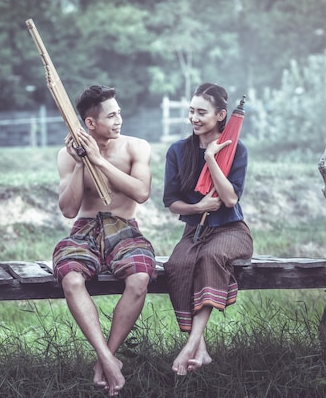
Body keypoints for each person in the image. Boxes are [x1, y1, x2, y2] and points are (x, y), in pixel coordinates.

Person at [52, 84, 157, 396]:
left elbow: (141, 192)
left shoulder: (136, 147)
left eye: (119, 113)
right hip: (84, 229)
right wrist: (83, 162)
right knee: (71, 278)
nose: (119, 119)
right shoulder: (66, 155)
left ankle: (105, 358)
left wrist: (99, 161)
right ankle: (108, 358)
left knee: (139, 277)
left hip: (124, 228)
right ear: (90, 124)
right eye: (112, 116)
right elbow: (69, 209)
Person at [162, 82, 253, 375]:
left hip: (231, 231)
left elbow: (229, 198)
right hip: (195, 232)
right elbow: (172, 202)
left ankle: (190, 346)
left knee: (210, 257)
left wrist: (211, 158)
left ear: (221, 115)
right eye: (191, 111)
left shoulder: (237, 151)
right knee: (177, 263)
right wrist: (197, 208)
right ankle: (200, 350)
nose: (194, 118)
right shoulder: (177, 151)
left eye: (202, 112)